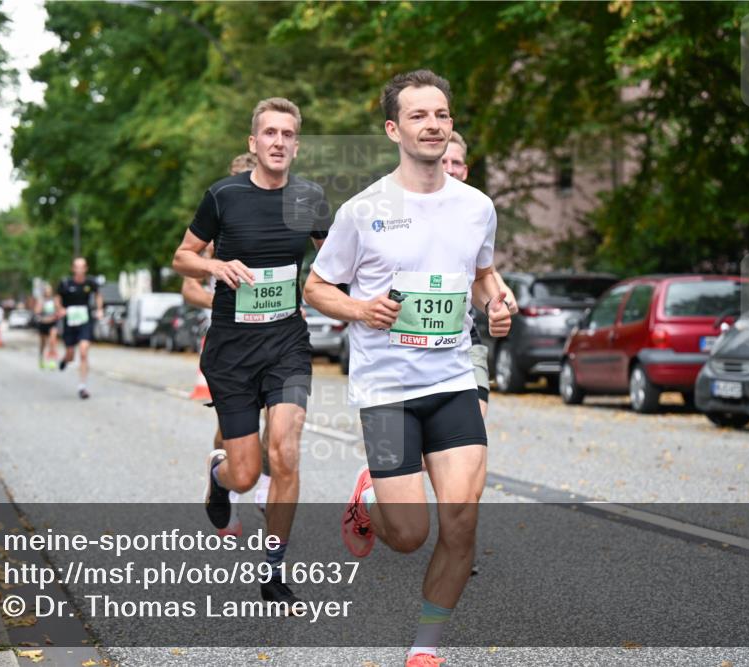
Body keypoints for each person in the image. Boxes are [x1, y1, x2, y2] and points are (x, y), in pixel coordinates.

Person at [304, 69, 512, 667]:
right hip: (388, 389)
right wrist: (360, 308)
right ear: (394, 128)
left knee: (462, 520)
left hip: (451, 380)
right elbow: (316, 288)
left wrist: (496, 304)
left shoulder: (477, 207)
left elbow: (479, 275)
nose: (433, 125)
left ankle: (425, 647)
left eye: (441, 115)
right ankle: (370, 503)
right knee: (409, 535)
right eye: (419, 116)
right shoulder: (363, 210)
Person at [172, 98, 328, 605]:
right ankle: (219, 480)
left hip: (286, 344)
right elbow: (182, 256)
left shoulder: (310, 198)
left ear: (296, 145)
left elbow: (341, 259)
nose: (278, 142)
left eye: (288, 134)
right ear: (253, 143)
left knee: (284, 450)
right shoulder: (223, 196)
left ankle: (275, 567)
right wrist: (214, 268)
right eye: (269, 133)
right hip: (233, 351)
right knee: (245, 473)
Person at [181, 152, 272, 539]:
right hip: (228, 335)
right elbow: (189, 287)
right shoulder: (214, 226)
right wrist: (220, 294)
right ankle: (226, 484)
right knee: (233, 422)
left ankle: (265, 489)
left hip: (272, 332)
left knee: (276, 411)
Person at [441, 131, 518, 416]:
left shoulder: (478, 211)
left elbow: (482, 270)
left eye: (456, 162)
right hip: (410, 342)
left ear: (465, 170)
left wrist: (498, 299)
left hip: (462, 333)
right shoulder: (402, 207)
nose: (450, 168)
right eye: (443, 160)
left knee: (476, 418)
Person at [56, 257, 103, 399]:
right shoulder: (65, 283)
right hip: (70, 321)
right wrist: (61, 309)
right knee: (71, 355)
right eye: (77, 266)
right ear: (73, 269)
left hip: (85, 320)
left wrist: (99, 309)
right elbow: (57, 299)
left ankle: (82, 387)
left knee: (83, 352)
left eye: (82, 266)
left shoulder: (91, 283)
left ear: (86, 268)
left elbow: (98, 296)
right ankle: (65, 359)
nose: (80, 269)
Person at [35, 284, 60, 370]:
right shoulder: (41, 300)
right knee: (43, 343)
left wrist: (56, 314)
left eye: (49, 290)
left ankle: (52, 360)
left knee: (52, 342)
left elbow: (59, 310)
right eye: (46, 290)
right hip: (43, 323)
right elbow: (37, 312)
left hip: (52, 323)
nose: (48, 292)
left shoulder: (55, 299)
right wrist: (41, 308)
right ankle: (41, 358)